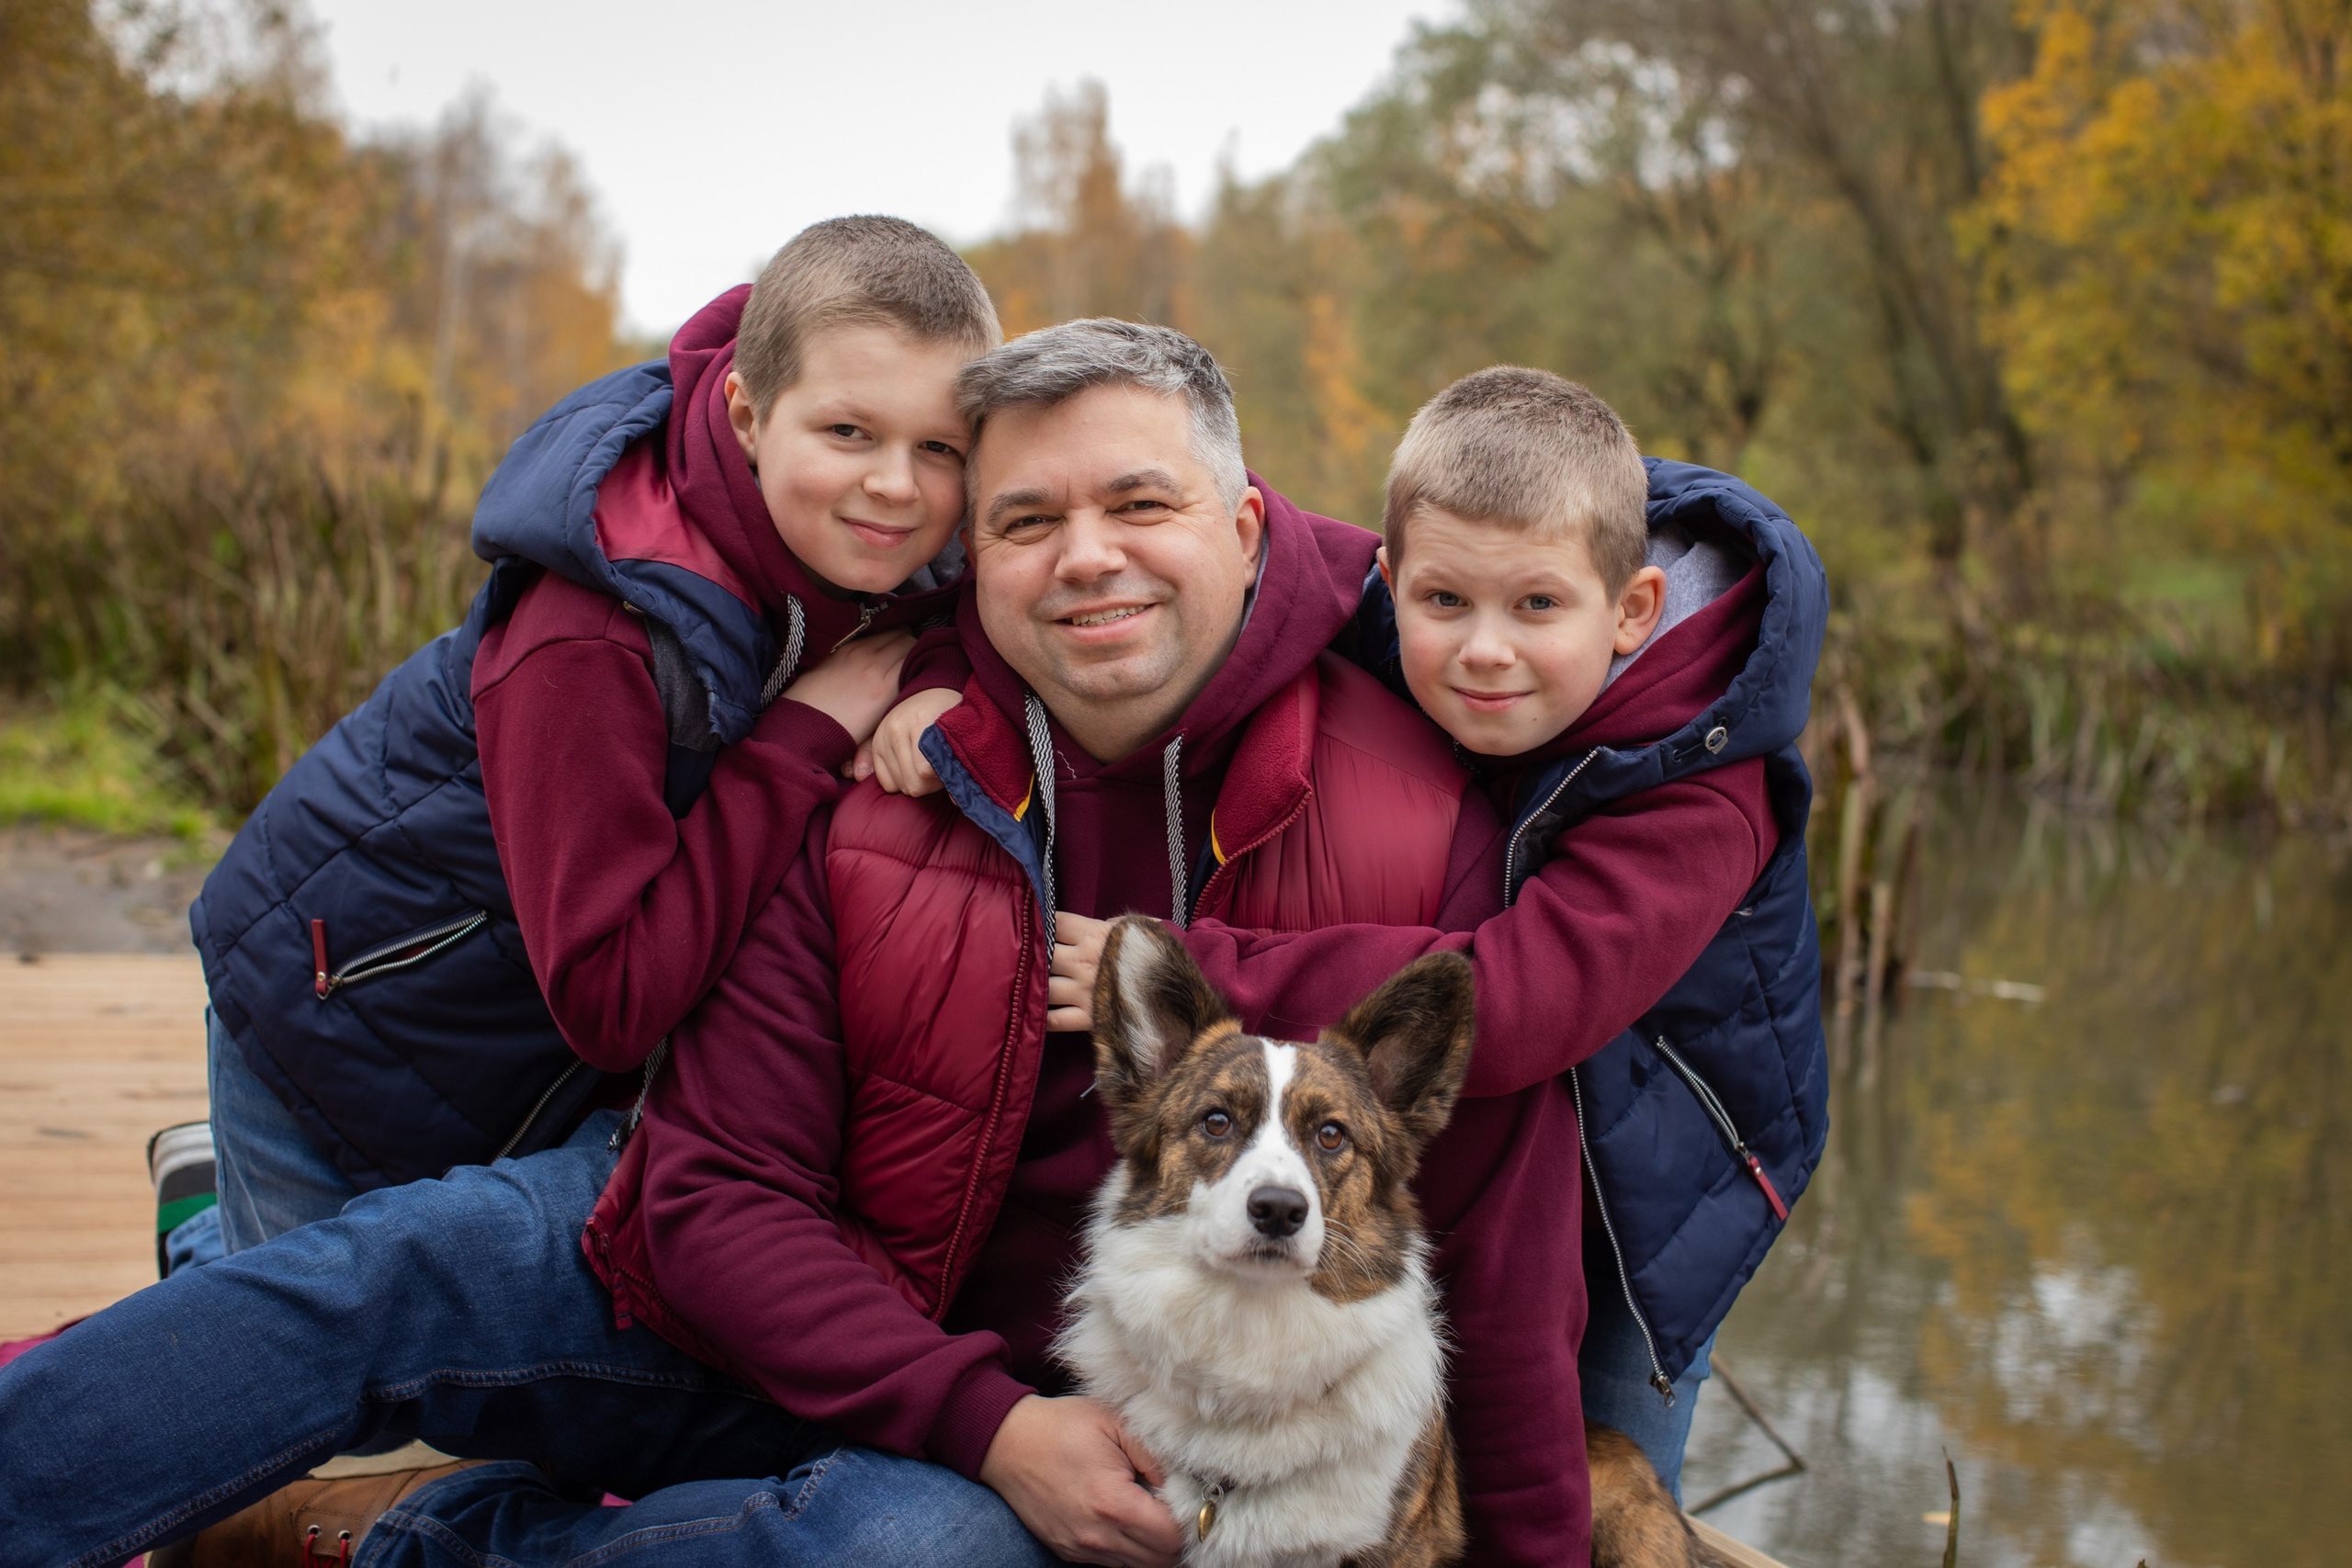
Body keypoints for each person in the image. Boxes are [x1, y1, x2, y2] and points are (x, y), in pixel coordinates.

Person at [0, 322, 1544, 1568]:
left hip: (1083, 1425)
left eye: (1141, 504)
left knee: (908, 1550)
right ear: (970, 557)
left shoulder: (1412, 805)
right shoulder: (886, 763)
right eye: (1026, 519)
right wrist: (980, 1418)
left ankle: (458, 1538)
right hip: (792, 1310)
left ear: (1248, 520)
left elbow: (1489, 1230)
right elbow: (716, 1189)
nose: (1088, 558)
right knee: (409, 1261)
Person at [884, 365, 1831, 1498]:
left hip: (1644, 1192)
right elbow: (1246, 559)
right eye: (1442, 606)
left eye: (1535, 607)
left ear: (1629, 611)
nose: (1482, 650)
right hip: (1471, 1148)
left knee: (1583, 1471)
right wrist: (925, 672)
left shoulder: (1705, 793)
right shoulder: (1444, 598)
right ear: (1395, 586)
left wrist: (1210, 975)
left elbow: (1518, 1005)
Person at [163, 217, 998, 1272]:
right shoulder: (594, 636)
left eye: (939, 449)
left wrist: (926, 687)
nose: (897, 486)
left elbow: (967, 612)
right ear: (746, 412)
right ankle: (205, 1227)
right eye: (848, 433)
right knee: (292, 1373)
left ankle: (207, 1222)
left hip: (523, 1051)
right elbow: (610, 1002)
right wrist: (802, 735)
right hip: (341, 1023)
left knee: (432, 1350)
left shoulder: (877, 543)